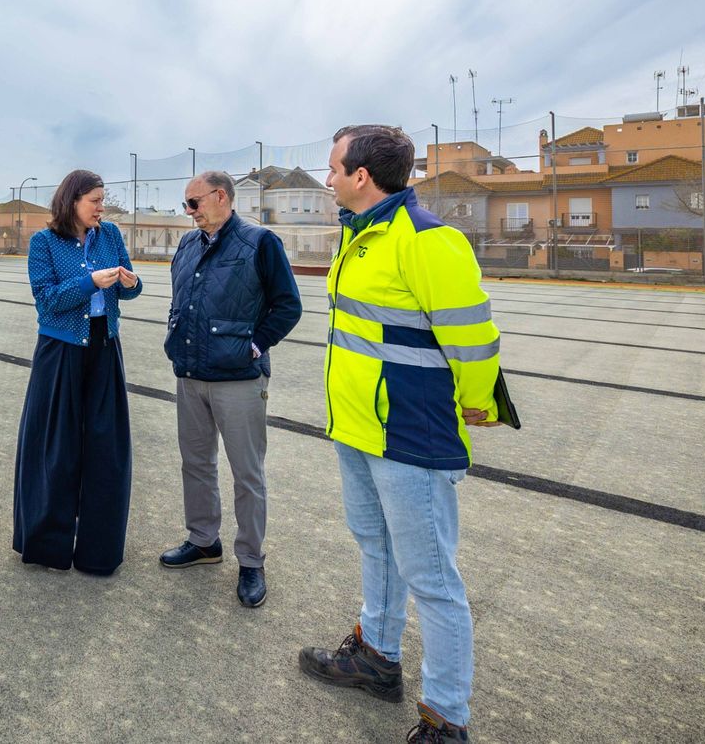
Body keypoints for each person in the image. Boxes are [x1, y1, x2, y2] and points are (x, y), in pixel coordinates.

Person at [299, 125, 502, 744]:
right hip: (358, 427)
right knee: (374, 544)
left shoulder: (428, 240)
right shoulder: (358, 236)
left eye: (334, 167)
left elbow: (471, 333)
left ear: (361, 176)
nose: (328, 177)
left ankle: (446, 717)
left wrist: (475, 402)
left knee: (432, 576)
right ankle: (377, 657)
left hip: (410, 431)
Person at [159, 170, 302, 607]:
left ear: (221, 196)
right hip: (192, 375)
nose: (189, 212)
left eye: (193, 203)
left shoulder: (259, 243)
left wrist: (254, 346)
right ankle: (204, 541)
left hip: (239, 379)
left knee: (247, 474)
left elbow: (288, 305)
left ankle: (251, 560)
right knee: (196, 464)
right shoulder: (187, 245)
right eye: (186, 205)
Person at [13, 170, 142, 574]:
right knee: (56, 449)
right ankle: (47, 545)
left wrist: (131, 283)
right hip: (60, 351)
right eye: (95, 200)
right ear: (72, 201)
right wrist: (89, 283)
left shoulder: (111, 236)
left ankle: (98, 552)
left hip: (105, 346)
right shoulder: (44, 243)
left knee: (108, 448)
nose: (102, 207)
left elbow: (127, 288)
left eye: (103, 199)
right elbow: (47, 301)